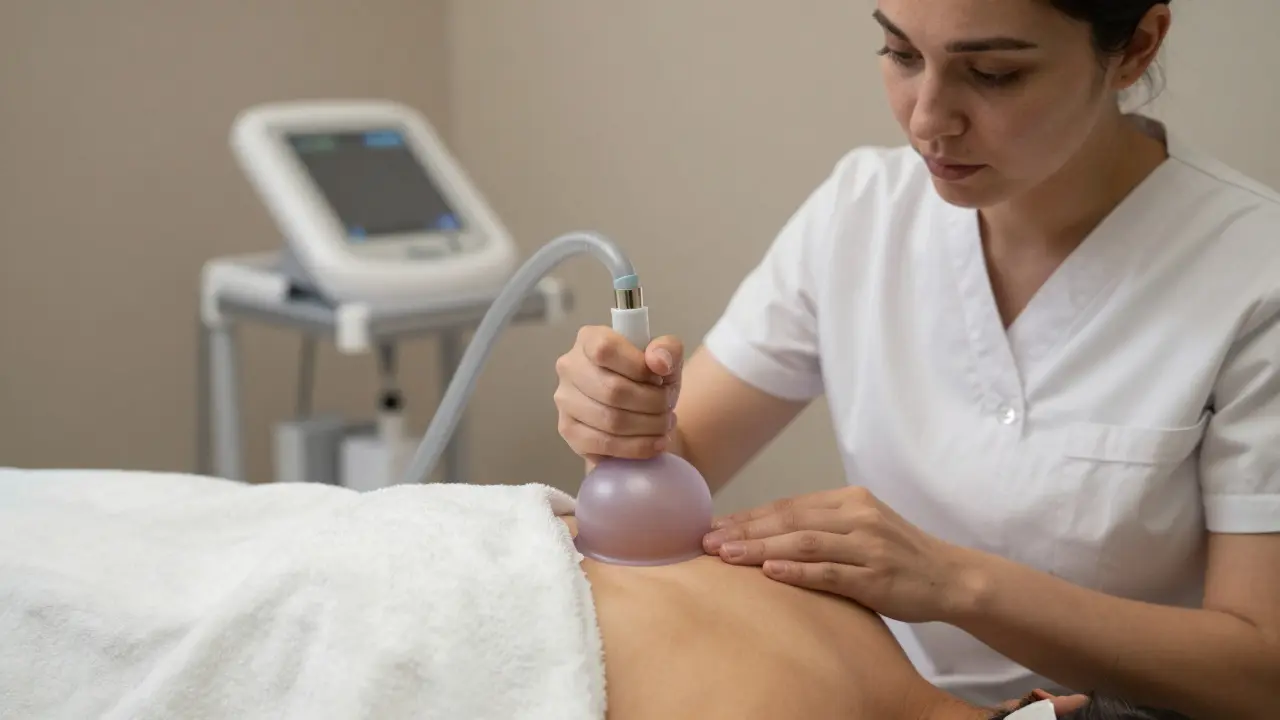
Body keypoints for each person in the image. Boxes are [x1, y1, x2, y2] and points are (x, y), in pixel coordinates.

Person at [552, 1, 1280, 717]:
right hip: (877, 692)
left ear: (1138, 46)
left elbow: (1261, 672)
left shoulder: (1254, 276)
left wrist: (955, 584)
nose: (928, 120)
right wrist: (620, 421)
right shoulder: (863, 210)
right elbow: (680, 455)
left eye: (993, 73)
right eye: (902, 55)